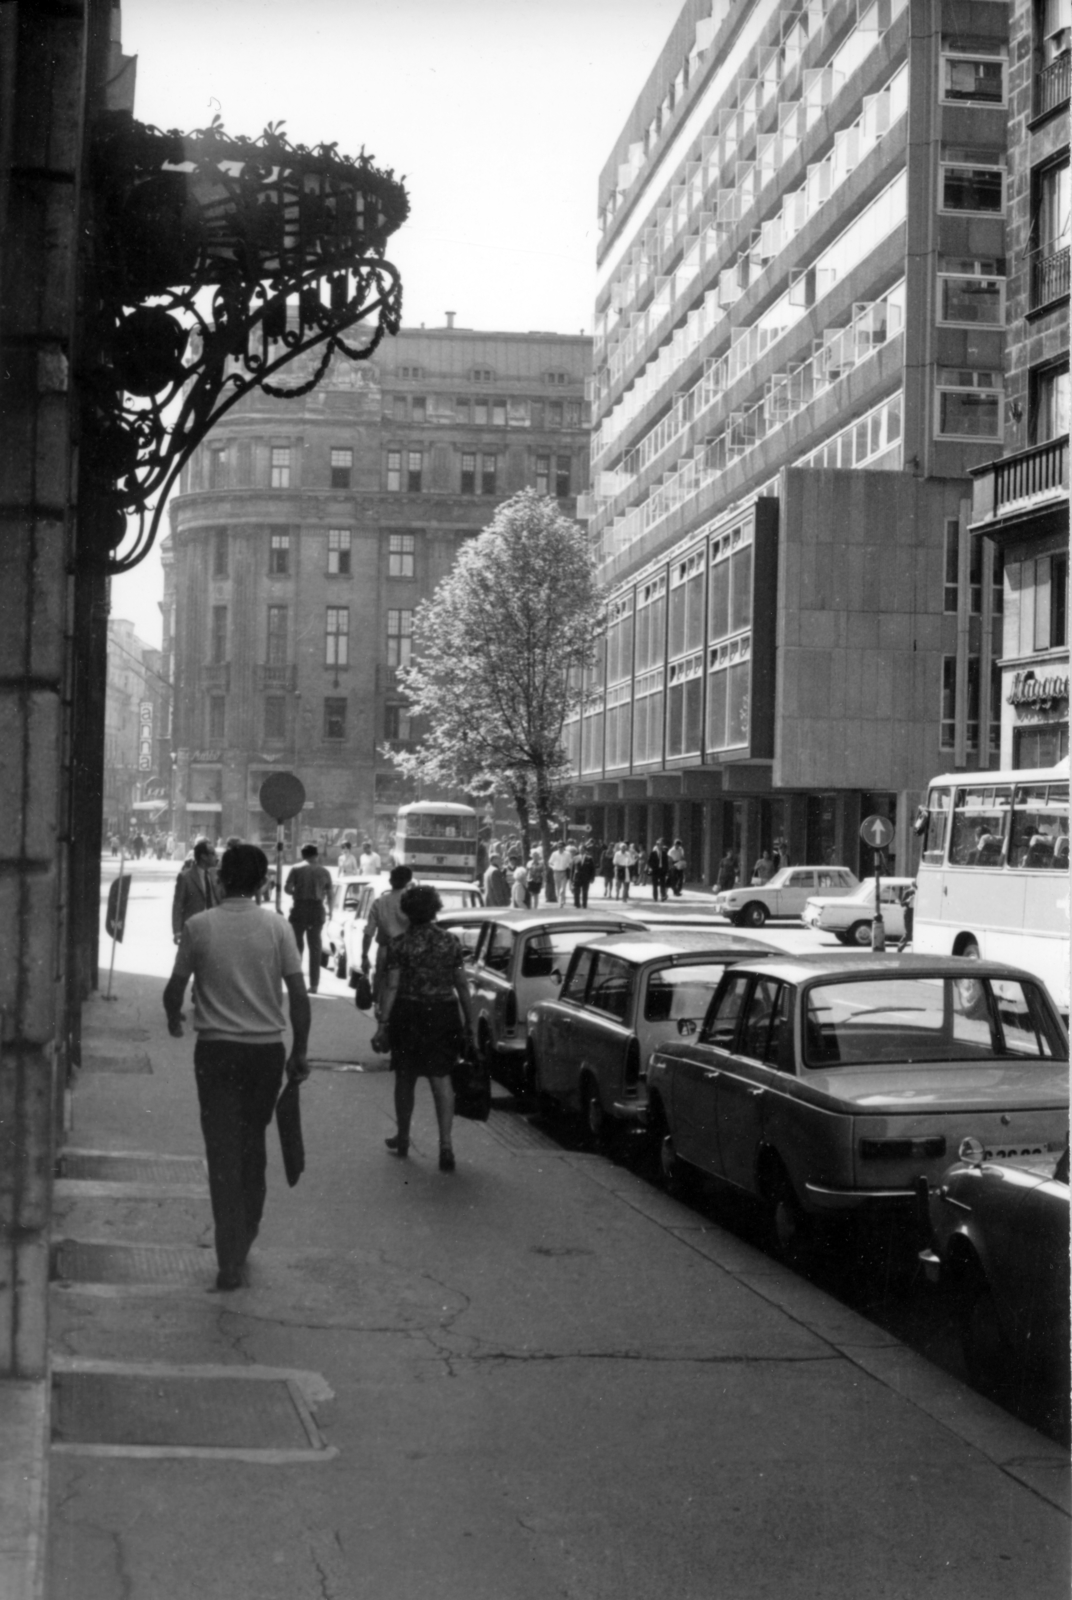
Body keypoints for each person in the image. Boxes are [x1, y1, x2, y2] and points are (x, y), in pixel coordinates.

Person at [163, 843, 310, 1291]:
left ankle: (229, 1256)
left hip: (215, 1053)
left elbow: (174, 990)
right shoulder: (278, 927)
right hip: (265, 1053)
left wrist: (174, 1019)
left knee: (222, 1151)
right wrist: (299, 1051)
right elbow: (299, 998)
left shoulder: (198, 926)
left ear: (222, 879)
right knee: (252, 1145)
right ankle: (245, 1236)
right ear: (263, 882)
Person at [378, 883, 474, 1171]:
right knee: (441, 1078)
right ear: (435, 910)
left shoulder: (399, 944)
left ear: (407, 912)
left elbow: (392, 986)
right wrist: (469, 1025)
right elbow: (462, 986)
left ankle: (404, 1137)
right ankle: (445, 1145)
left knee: (405, 1078)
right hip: (443, 1013)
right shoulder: (450, 942)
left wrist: (383, 1024)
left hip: (408, 1014)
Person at [284, 844, 333, 994]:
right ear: (316, 855)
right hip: (317, 910)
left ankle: (297, 984)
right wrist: (331, 911)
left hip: (299, 909)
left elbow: (287, 889)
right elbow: (330, 894)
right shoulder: (324, 871)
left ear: (302, 855)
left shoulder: (296, 868)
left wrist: (296, 893)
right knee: (315, 948)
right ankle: (314, 985)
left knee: (297, 947)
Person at [361, 864, 413, 1003]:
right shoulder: (413, 901)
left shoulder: (379, 902)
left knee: (381, 990)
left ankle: (381, 1012)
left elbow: (369, 933)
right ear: (409, 881)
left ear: (391, 881)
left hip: (385, 951)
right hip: (408, 952)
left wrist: (364, 956)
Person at [172, 839, 219, 943]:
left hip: (215, 928)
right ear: (203, 856)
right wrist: (177, 931)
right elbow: (178, 905)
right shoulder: (185, 877)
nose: (217, 857)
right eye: (213, 854)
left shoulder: (216, 875)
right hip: (194, 930)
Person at [547, 840, 571, 905]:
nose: (560, 848)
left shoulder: (567, 854)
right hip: (556, 872)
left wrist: (568, 866)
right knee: (557, 888)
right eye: (559, 847)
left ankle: (563, 900)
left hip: (564, 872)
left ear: (564, 847)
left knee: (563, 888)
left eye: (561, 847)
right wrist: (553, 867)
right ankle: (559, 901)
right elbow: (550, 863)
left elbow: (570, 862)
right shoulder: (554, 854)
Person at [896, 884, 915, 952]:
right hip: (909, 912)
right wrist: (908, 900)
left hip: (916, 913)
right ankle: (900, 948)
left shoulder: (919, 892)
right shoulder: (908, 892)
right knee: (908, 932)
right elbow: (902, 904)